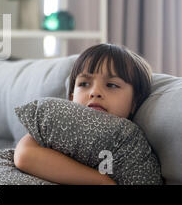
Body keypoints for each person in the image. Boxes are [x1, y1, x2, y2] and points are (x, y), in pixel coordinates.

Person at [13, 43, 153, 185]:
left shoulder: (130, 142)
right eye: (84, 84)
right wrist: (101, 181)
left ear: (134, 101)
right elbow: (24, 155)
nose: (95, 92)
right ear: (72, 97)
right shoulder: (59, 123)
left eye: (111, 85)